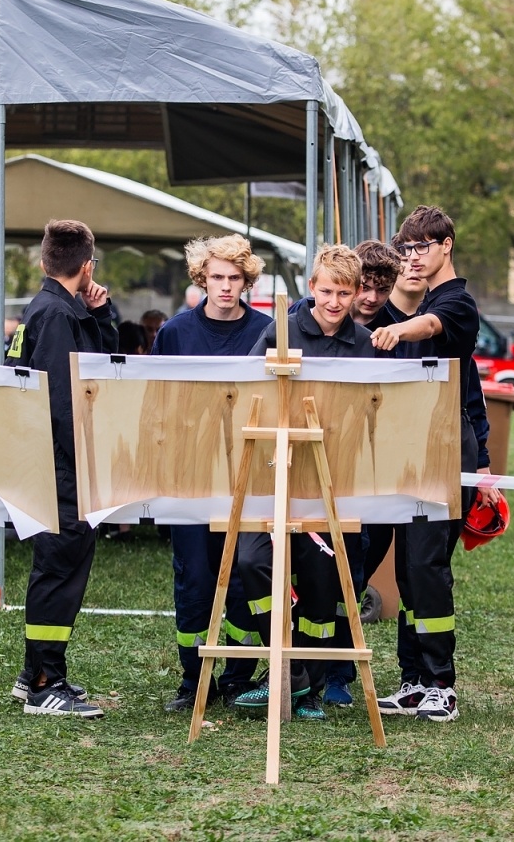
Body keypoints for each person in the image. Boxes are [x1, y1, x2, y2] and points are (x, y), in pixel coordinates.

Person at [229, 244, 374, 723]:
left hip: (331, 483)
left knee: (321, 581)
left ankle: (307, 686)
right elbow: (250, 390)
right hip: (275, 475)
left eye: (344, 293)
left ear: (356, 294)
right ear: (311, 288)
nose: (335, 302)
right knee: (251, 560)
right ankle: (277, 668)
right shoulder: (282, 329)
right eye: (327, 291)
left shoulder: (364, 342)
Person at [364, 208, 486, 725]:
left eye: (422, 247)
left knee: (429, 569)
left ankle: (442, 685)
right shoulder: (427, 297)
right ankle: (413, 682)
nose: (414, 256)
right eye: (407, 248)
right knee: (410, 573)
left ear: (446, 245)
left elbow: (432, 325)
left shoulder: (455, 302)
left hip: (442, 445)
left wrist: (399, 332)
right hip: (406, 447)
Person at [151, 235, 271, 713]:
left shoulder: (268, 330)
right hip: (189, 474)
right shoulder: (175, 332)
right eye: (217, 277)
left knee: (243, 575)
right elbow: (155, 403)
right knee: (195, 578)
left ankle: (239, 674)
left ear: (247, 281)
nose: (225, 287)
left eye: (234, 278)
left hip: (249, 473)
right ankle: (194, 676)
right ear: (201, 278)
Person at [8, 219, 118, 717]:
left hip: (53, 464)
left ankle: (35, 672)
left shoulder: (53, 309)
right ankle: (45, 683)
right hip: (61, 468)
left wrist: (100, 312)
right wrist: (86, 466)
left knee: (60, 567)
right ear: (87, 266)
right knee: (58, 570)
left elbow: (101, 364)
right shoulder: (55, 316)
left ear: (43, 262)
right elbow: (62, 401)